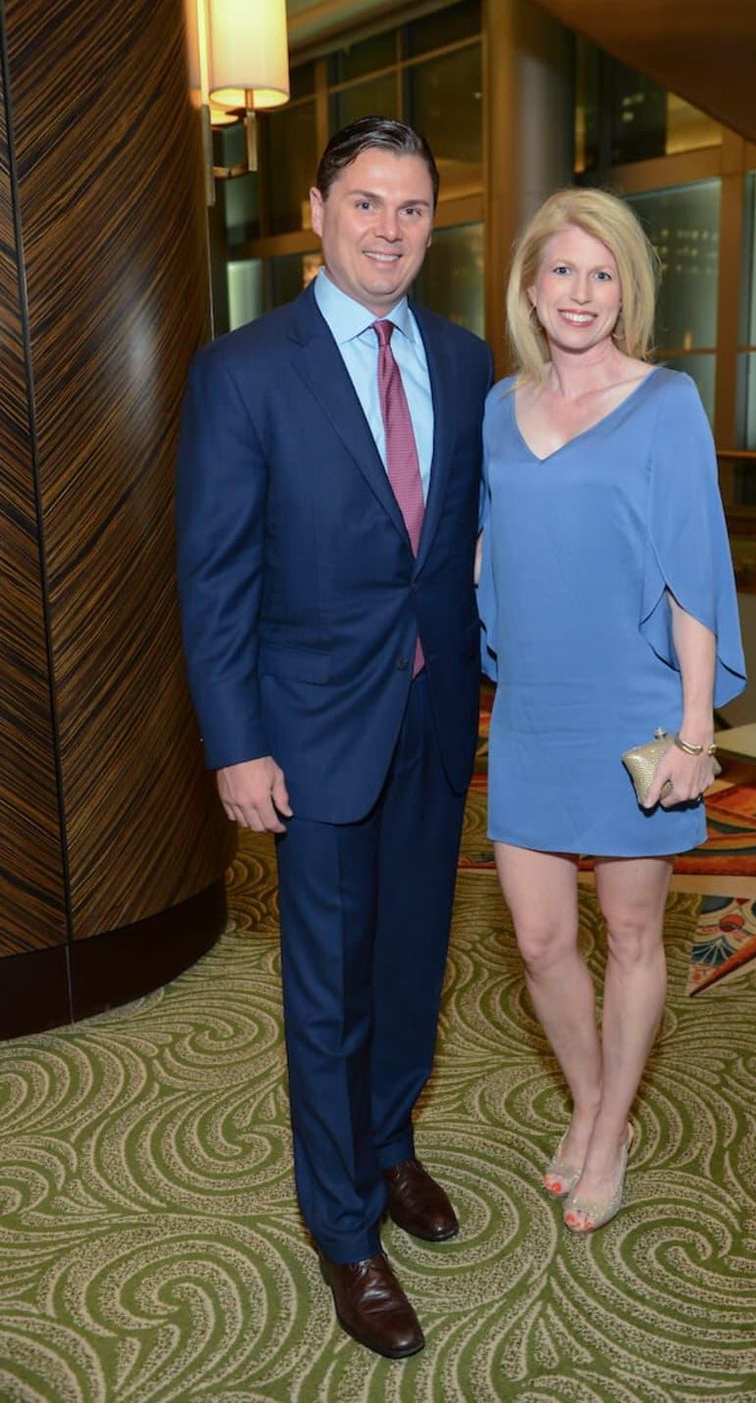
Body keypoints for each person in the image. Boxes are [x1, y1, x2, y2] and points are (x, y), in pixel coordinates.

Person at [177, 117, 494, 1359]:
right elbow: (212, 578)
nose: (389, 229)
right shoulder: (243, 370)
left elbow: (461, 548)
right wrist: (234, 743)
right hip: (306, 733)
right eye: (366, 203)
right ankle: (343, 1228)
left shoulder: (465, 365)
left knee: (415, 963)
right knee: (326, 990)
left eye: (412, 210)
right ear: (317, 209)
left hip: (430, 714)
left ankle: (388, 1144)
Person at [477, 188, 745, 1234]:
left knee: (631, 935)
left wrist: (693, 730)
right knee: (541, 940)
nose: (579, 293)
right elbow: (482, 550)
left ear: (623, 288)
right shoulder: (499, 407)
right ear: (530, 287)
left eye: (602, 273)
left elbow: (694, 573)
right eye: (562, 272)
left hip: (634, 709)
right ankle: (594, 1104)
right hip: (534, 709)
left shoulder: (664, 401)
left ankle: (607, 1121)